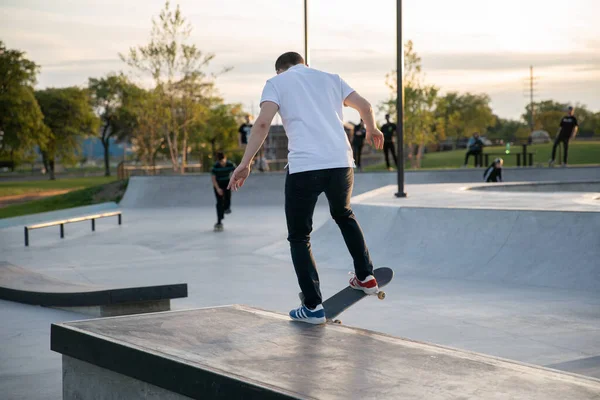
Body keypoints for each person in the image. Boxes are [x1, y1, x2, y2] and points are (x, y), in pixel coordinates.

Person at [227, 51, 384, 324]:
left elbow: (263, 123)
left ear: (280, 70)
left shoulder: (277, 83)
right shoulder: (331, 79)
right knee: (344, 214)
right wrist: (371, 129)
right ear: (305, 64)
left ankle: (312, 306)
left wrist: (246, 162)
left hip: (305, 168)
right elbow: (365, 107)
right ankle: (367, 277)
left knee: (300, 237)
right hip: (340, 164)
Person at [211, 152, 236, 231]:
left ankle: (227, 207)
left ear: (225, 159)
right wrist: (218, 189)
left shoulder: (230, 164)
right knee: (219, 202)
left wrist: (234, 181)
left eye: (223, 161)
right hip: (218, 184)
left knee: (228, 197)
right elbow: (213, 179)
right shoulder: (215, 166)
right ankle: (219, 221)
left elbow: (236, 171)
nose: (222, 163)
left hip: (227, 183)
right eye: (220, 162)